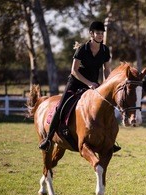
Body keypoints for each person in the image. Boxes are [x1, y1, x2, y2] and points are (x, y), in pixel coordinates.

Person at [39, 21, 121, 152]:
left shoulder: (105, 50)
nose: (100, 35)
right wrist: (88, 83)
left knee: (107, 106)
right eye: (98, 33)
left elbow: (106, 69)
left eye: (102, 33)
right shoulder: (82, 49)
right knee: (60, 107)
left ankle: (110, 141)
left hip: (94, 86)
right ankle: (48, 139)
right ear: (91, 34)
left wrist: (107, 83)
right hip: (76, 83)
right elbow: (74, 70)